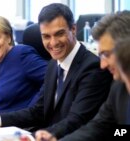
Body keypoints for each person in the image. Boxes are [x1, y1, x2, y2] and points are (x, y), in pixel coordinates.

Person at [0, 3, 112, 139]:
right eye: (46, 36)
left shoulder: (93, 68)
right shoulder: (54, 65)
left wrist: (42, 135)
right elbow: (38, 111)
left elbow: (77, 120)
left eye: (59, 34)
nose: (53, 43)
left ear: (73, 29)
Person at [35, 11, 130, 141]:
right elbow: (98, 127)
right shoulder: (118, 88)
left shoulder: (93, 69)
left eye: (107, 55)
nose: (102, 65)